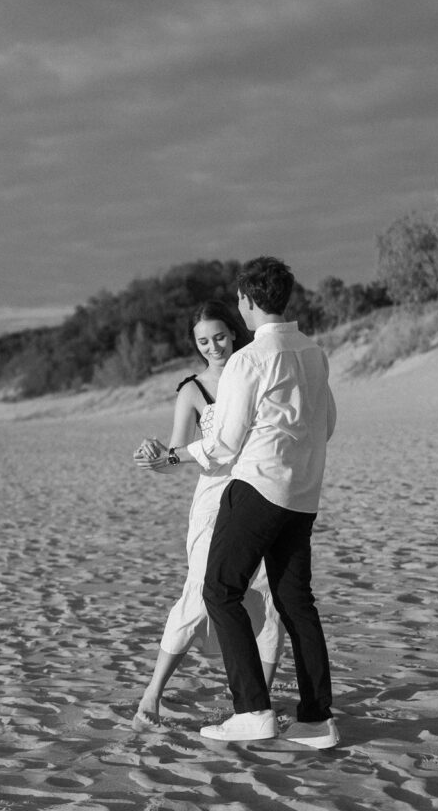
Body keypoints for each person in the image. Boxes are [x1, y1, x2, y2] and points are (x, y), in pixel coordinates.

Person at [145, 256, 339, 748]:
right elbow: (327, 424)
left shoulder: (249, 360)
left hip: (257, 489)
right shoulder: (314, 353)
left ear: (247, 302)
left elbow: (223, 446)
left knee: (219, 591)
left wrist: (174, 454)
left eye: (240, 302)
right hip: (303, 493)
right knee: (296, 603)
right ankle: (316, 719)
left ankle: (252, 709)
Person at [132, 299, 284, 730]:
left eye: (219, 336)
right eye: (203, 341)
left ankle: (258, 705)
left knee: (267, 598)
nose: (213, 346)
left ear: (234, 332)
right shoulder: (192, 391)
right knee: (199, 593)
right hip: (214, 502)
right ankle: (152, 695)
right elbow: (174, 454)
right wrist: (153, 455)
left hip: (261, 493)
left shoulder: (255, 368)